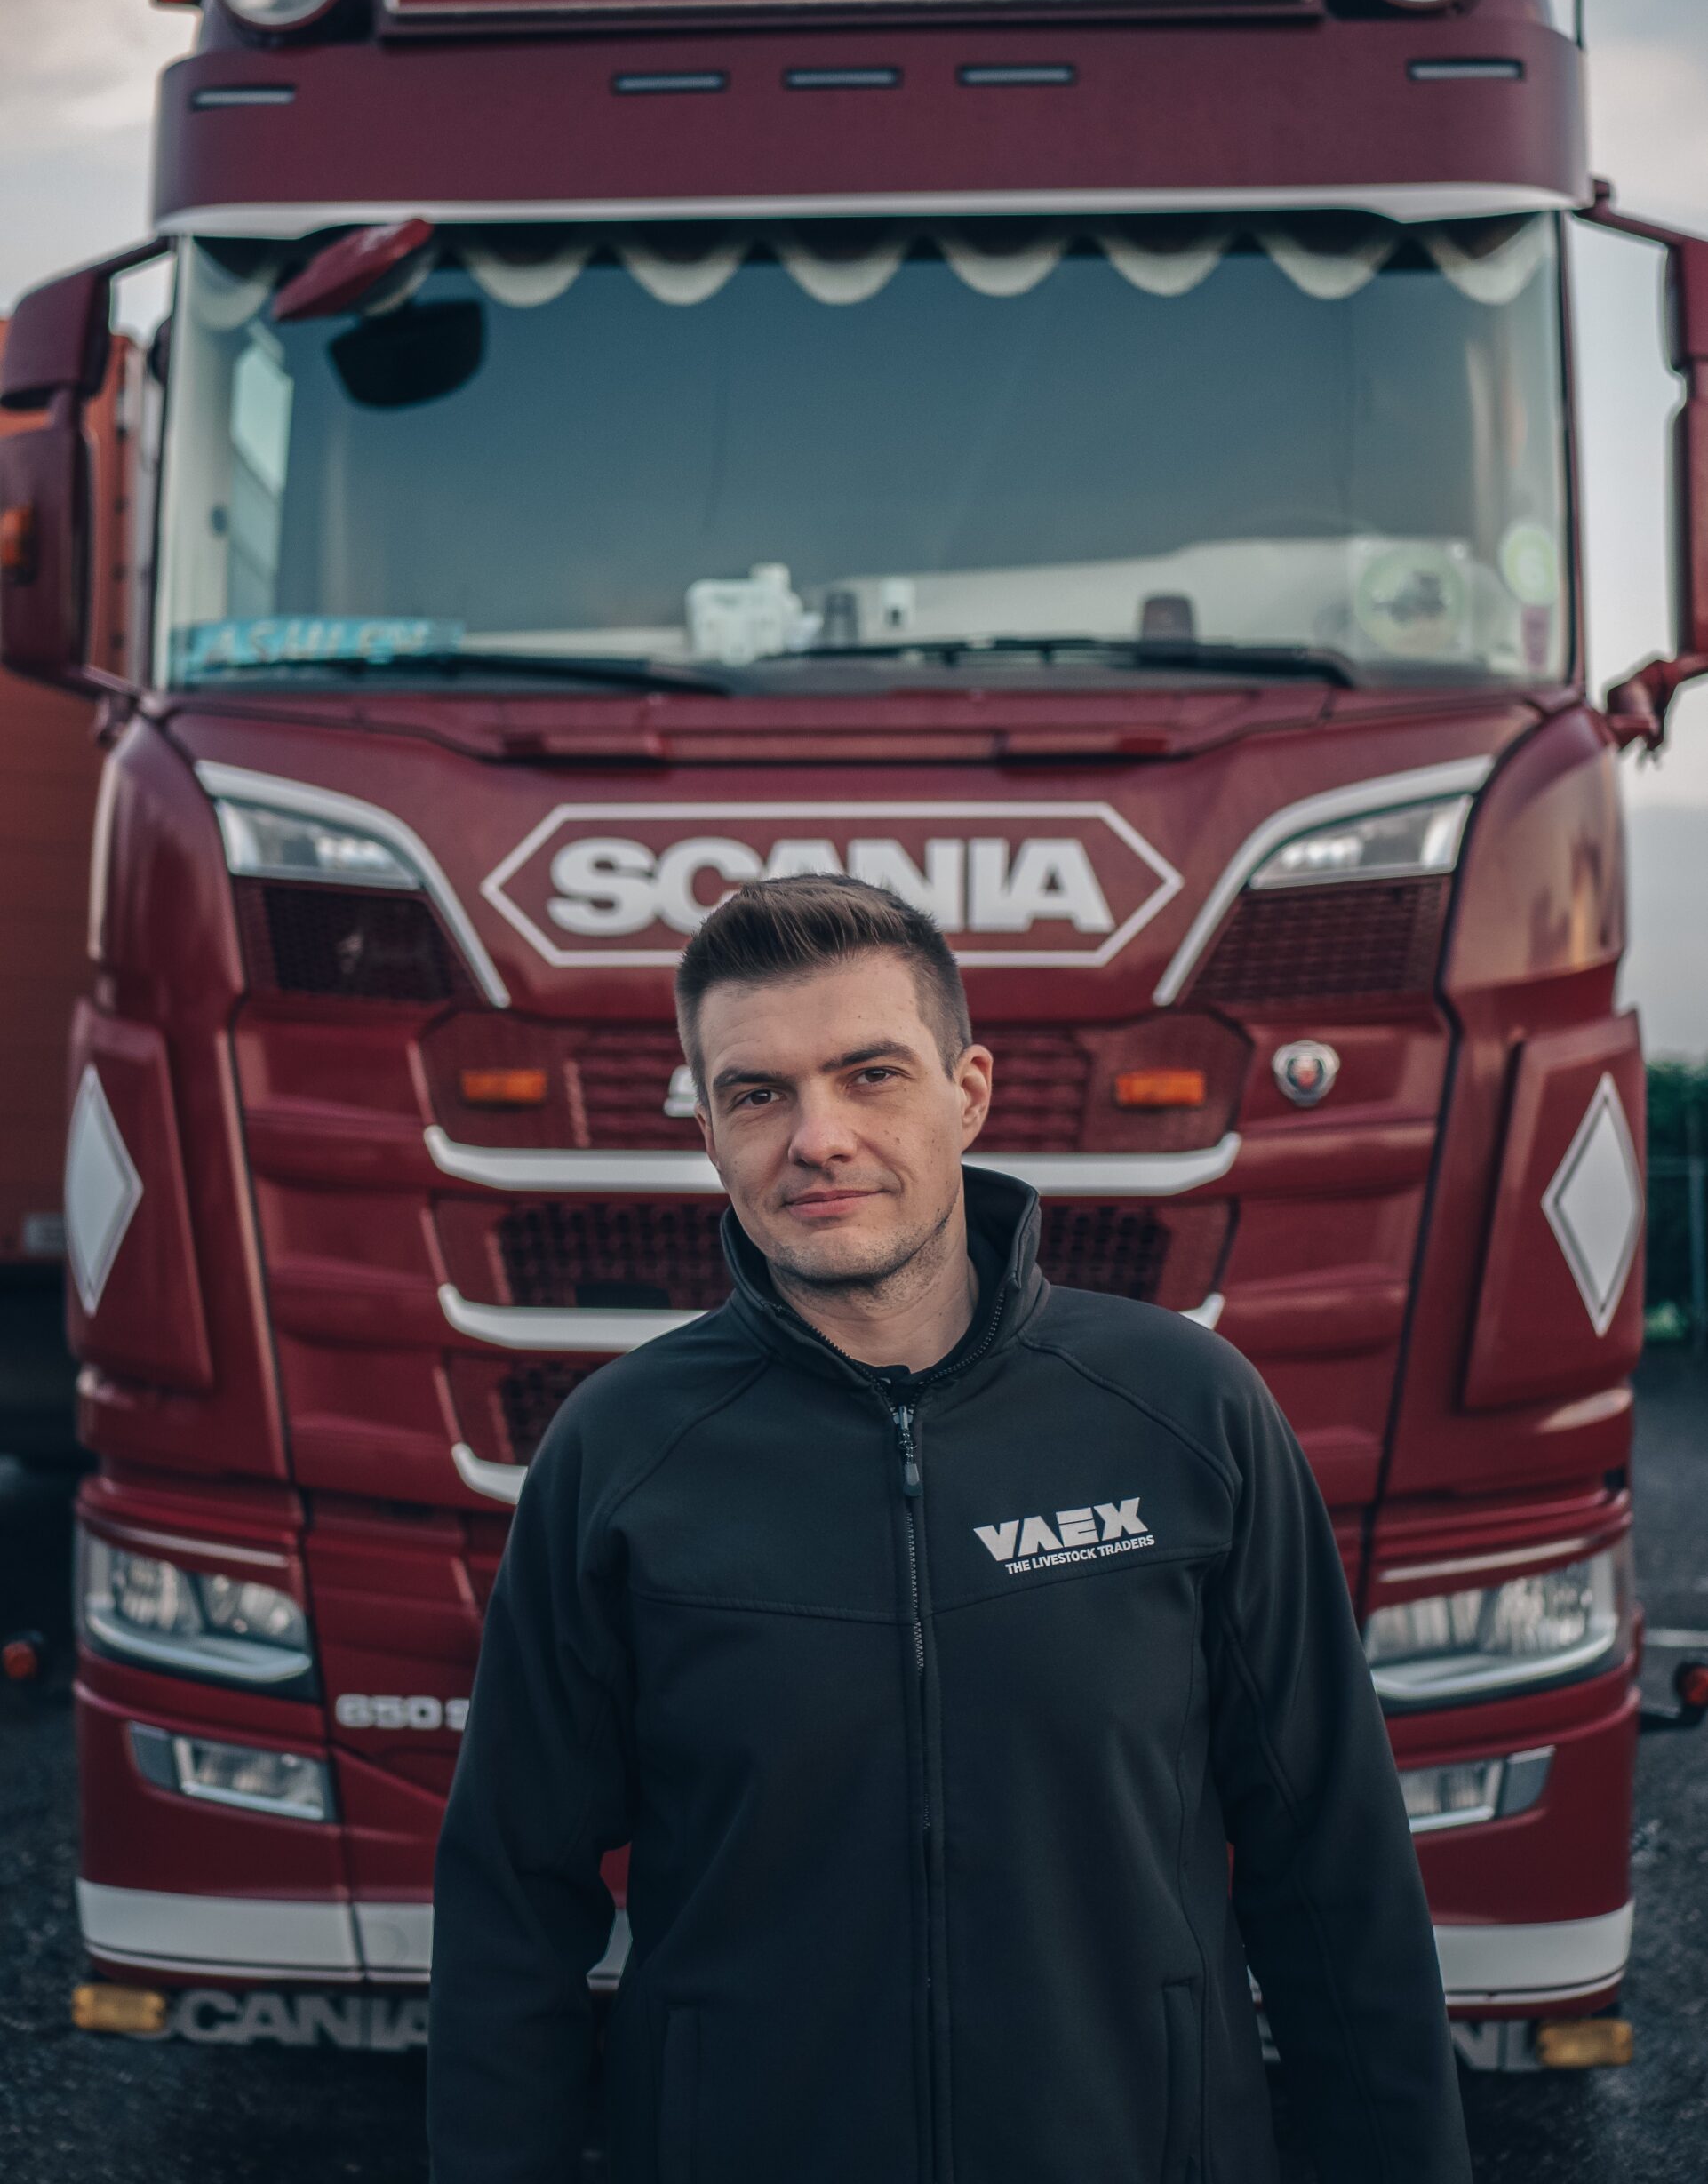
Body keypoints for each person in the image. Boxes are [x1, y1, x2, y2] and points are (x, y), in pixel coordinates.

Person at [427, 873, 1473, 2184]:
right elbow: (511, 1898)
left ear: (967, 1094)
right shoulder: (619, 1453)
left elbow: (1331, 1867)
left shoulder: (1183, 1410)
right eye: (757, 1094)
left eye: (870, 1076)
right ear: (708, 1131)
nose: (818, 1139)